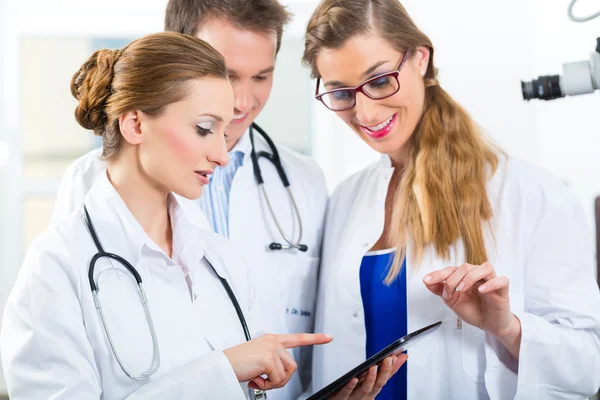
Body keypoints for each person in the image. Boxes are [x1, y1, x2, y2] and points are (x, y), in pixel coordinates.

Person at [0, 32, 333, 399]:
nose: (222, 154)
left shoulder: (220, 261)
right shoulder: (55, 267)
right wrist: (222, 370)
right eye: (204, 129)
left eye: (224, 131)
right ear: (135, 124)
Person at [302, 0, 600, 398]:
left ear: (420, 59)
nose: (367, 113)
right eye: (341, 93)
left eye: (379, 81)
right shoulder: (344, 200)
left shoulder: (531, 194)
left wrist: (507, 326)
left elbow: (589, 365)